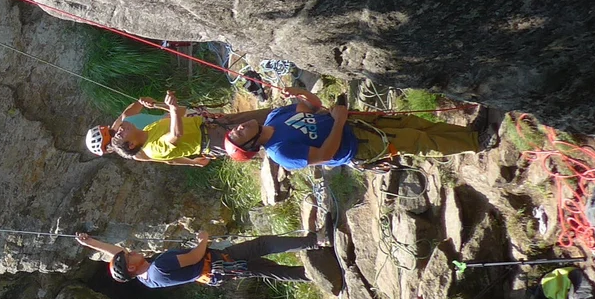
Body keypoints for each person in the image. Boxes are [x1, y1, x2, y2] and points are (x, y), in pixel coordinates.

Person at [221, 86, 489, 168]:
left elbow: (311, 107)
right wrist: (338, 121)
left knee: (414, 124)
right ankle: (478, 143)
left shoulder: (273, 118)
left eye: (235, 129)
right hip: (357, 145)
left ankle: (471, 134)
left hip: (353, 123)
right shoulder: (282, 153)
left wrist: (299, 91)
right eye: (239, 134)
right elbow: (325, 155)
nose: (240, 126)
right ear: (252, 145)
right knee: (417, 140)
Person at [74, 217, 329, 288]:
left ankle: (312, 275)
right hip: (219, 260)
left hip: (216, 274)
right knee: (262, 246)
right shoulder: (160, 265)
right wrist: (203, 239)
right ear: (131, 267)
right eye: (128, 257)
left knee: (266, 270)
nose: (129, 252)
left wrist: (92, 243)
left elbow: (118, 252)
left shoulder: (147, 279)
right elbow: (196, 256)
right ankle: (315, 241)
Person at [82, 90, 244, 166]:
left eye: (111, 142)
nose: (114, 145)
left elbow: (169, 159)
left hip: (180, 122)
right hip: (181, 119)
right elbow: (144, 100)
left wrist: (192, 163)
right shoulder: (126, 120)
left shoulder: (133, 146)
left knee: (233, 126)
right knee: (231, 123)